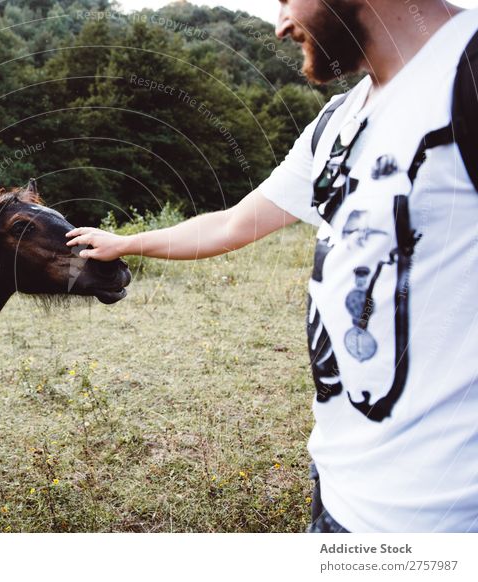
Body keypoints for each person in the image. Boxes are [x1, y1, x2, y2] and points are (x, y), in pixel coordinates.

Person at [65, 0, 478, 533]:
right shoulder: (339, 120)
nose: (281, 26)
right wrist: (127, 242)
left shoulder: (467, 72)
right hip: (337, 489)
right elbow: (233, 224)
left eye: (285, 0)